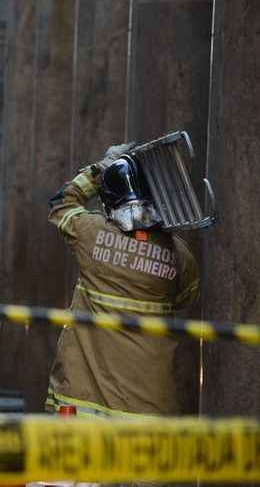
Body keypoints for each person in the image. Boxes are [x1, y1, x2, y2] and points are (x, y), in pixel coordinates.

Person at [46, 143, 200, 419]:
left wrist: (99, 169)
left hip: (83, 402)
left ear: (110, 200)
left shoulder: (90, 234)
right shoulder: (180, 255)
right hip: (150, 406)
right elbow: (186, 297)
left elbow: (61, 203)